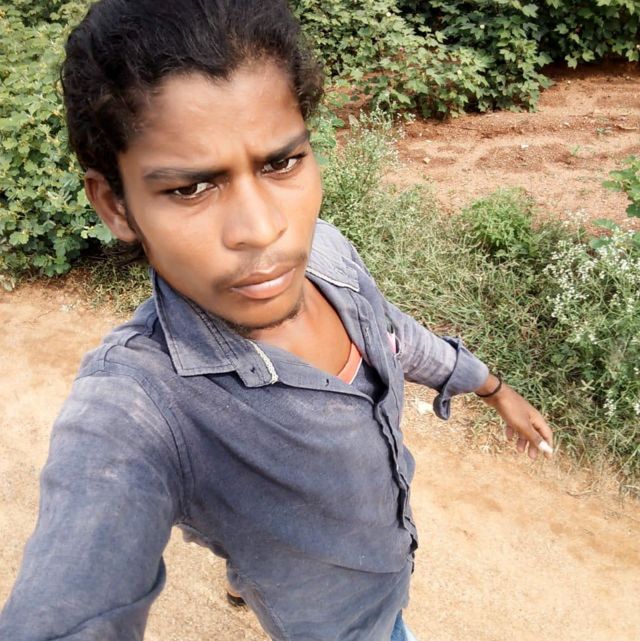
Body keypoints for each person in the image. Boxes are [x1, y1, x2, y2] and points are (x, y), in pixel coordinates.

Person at [0, 1, 553, 640]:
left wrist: (491, 386)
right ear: (115, 206)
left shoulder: (327, 255)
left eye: (281, 164)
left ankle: (244, 560)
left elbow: (392, 335)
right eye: (189, 188)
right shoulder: (140, 408)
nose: (265, 230)